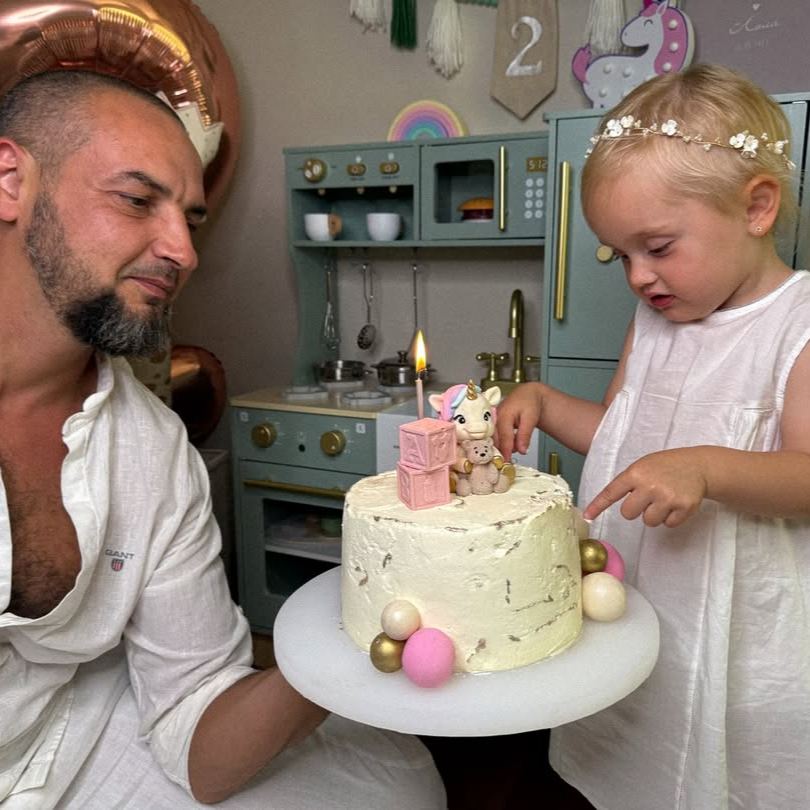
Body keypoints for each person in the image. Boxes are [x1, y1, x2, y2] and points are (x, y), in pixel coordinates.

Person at [0, 70, 446, 809]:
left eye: (191, 219)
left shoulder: (152, 451)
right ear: (11, 179)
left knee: (396, 780)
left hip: (71, 736)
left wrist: (365, 634)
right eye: (138, 200)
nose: (183, 251)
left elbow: (194, 721)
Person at [496, 63, 810, 809]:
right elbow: (621, 440)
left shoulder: (797, 327)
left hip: (741, 639)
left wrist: (705, 468)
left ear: (757, 207)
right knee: (631, 760)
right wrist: (543, 398)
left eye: (659, 247)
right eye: (619, 255)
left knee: (725, 775)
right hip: (638, 607)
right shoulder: (659, 318)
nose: (638, 277)